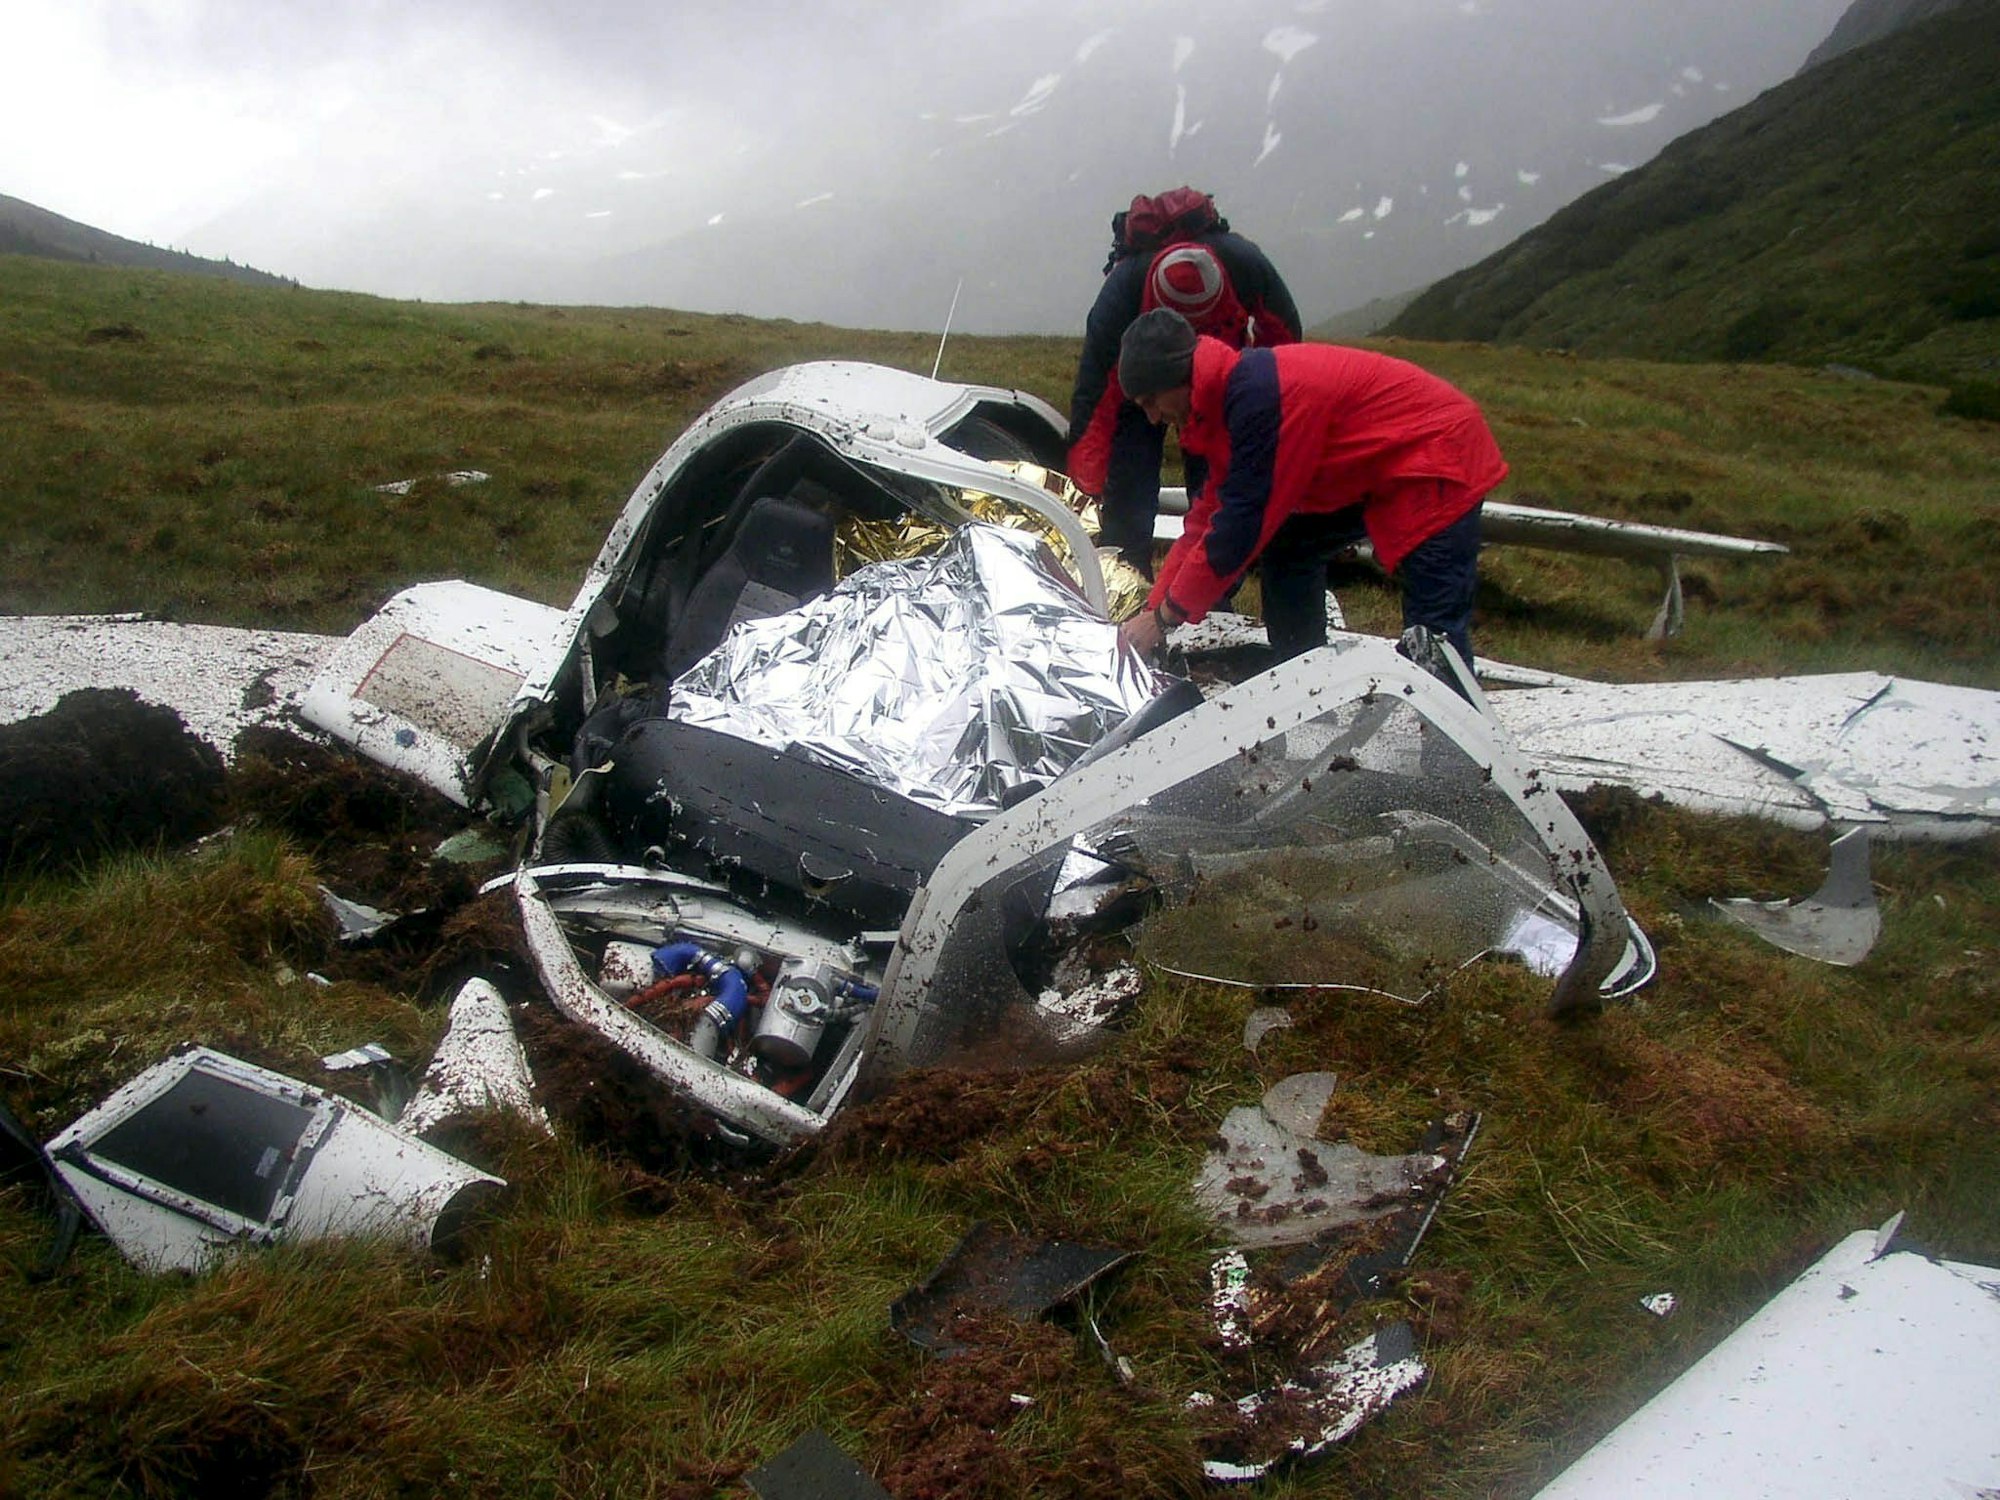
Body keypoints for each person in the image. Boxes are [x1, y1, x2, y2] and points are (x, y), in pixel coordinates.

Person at [1113, 308, 1503, 670]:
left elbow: (1237, 531)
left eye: (1151, 401)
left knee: (1431, 637)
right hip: (1378, 468)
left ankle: (1449, 732)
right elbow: (1205, 520)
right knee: (1290, 549)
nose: (1151, 417)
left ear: (1178, 376)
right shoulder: (1221, 403)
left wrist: (1165, 619)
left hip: (1437, 457)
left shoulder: (1259, 402)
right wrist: (1152, 608)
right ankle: (1302, 684)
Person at [1067, 188, 1302, 574]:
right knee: (1129, 482)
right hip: (1138, 386)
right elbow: (1095, 393)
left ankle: (1213, 594)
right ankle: (1126, 578)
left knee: (1215, 481)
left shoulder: (1244, 264)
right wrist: (1088, 478)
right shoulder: (1123, 291)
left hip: (1215, 382)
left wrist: (1261, 400)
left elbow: (1285, 345)